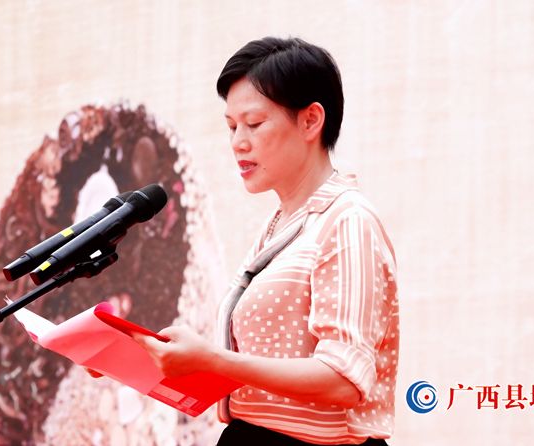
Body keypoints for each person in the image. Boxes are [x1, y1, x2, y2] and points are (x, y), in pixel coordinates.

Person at [135, 37, 399, 445]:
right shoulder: (283, 225)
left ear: (311, 121)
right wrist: (138, 357)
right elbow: (253, 371)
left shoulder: (347, 220)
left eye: (254, 124)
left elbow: (343, 378)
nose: (238, 142)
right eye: (231, 127)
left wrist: (213, 359)